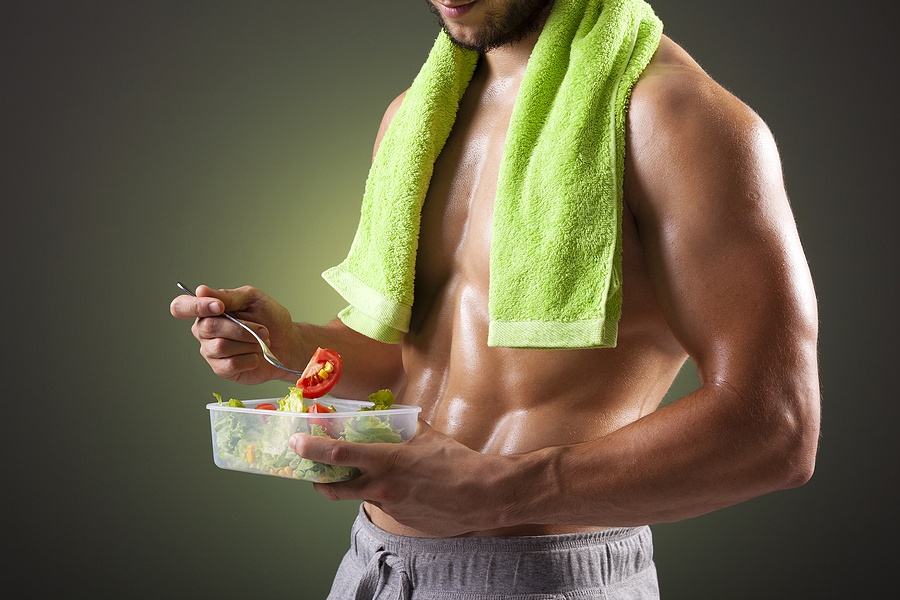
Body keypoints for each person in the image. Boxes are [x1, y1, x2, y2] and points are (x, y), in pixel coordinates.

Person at [171, 0, 820, 597]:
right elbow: (405, 356)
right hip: (376, 566)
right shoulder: (415, 119)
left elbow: (776, 427)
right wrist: (290, 343)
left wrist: (500, 495)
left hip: (546, 577)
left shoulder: (677, 118)